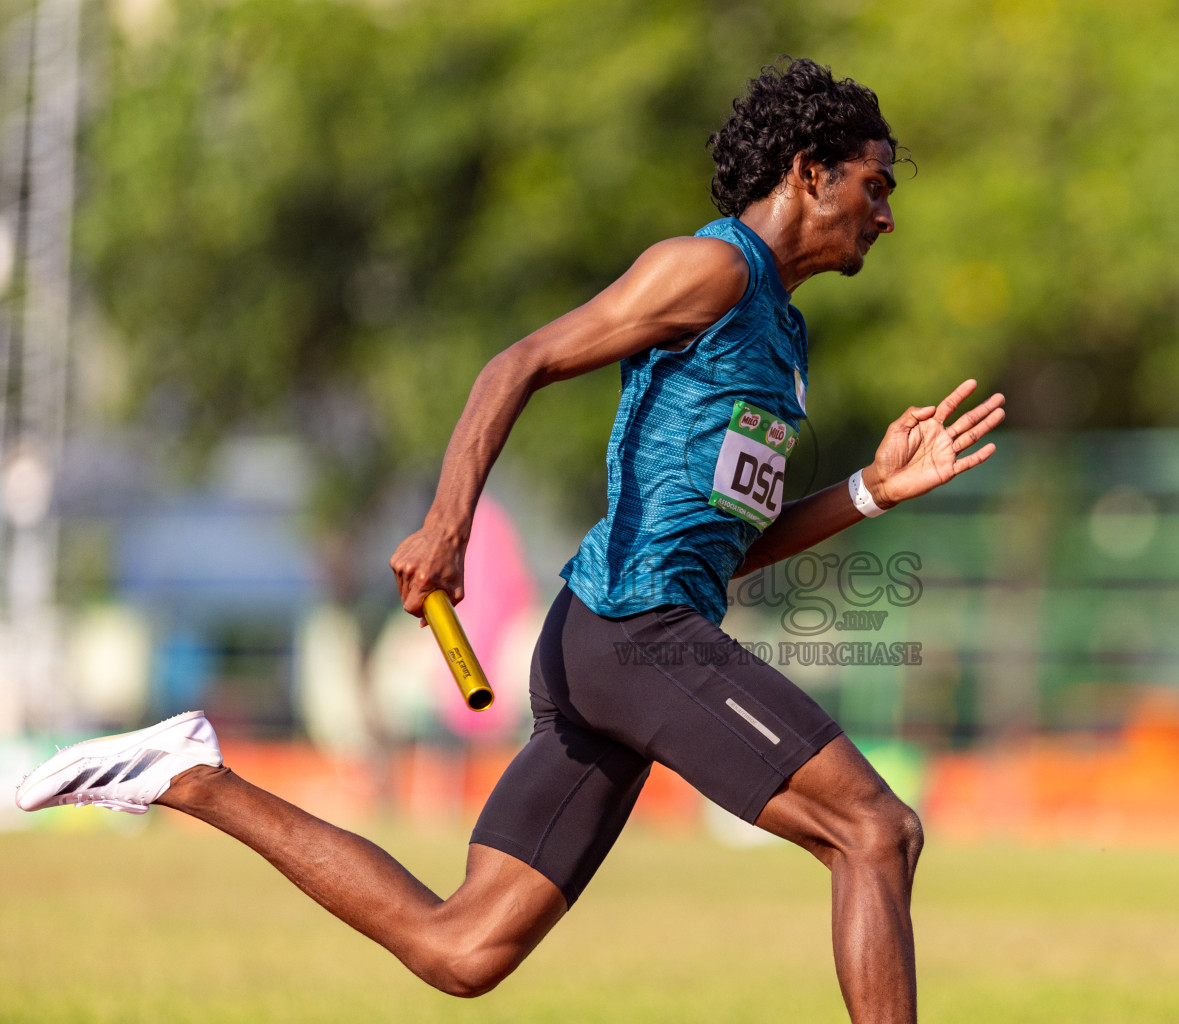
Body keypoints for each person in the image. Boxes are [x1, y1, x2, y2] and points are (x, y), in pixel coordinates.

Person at [16, 58, 1005, 1022]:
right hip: (633, 632)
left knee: (463, 947)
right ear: (806, 171)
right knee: (876, 827)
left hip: (613, 642)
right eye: (872, 187)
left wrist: (872, 491)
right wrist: (445, 524)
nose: (884, 214)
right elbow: (517, 362)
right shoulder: (708, 269)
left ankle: (187, 776)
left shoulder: (783, 338)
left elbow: (727, 546)